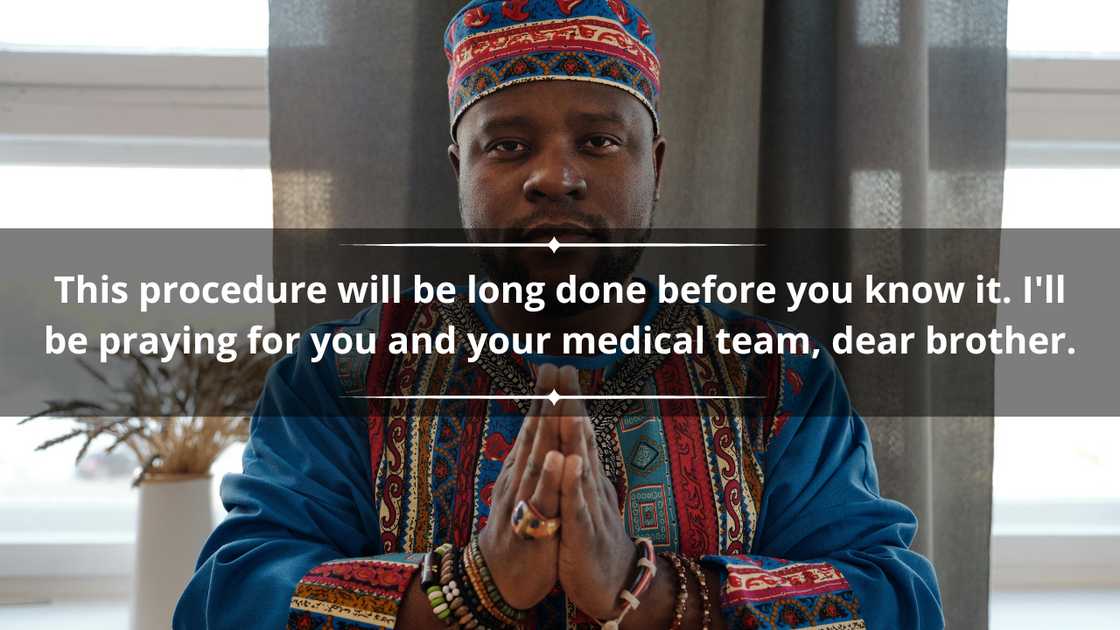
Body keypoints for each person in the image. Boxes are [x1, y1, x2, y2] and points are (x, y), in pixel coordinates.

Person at [174, 1, 943, 628]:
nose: (555, 176)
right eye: (507, 146)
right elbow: (229, 600)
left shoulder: (777, 380)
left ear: (656, 167)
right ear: (460, 173)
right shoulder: (339, 378)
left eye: (600, 141)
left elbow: (894, 600)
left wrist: (648, 592)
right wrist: (470, 588)